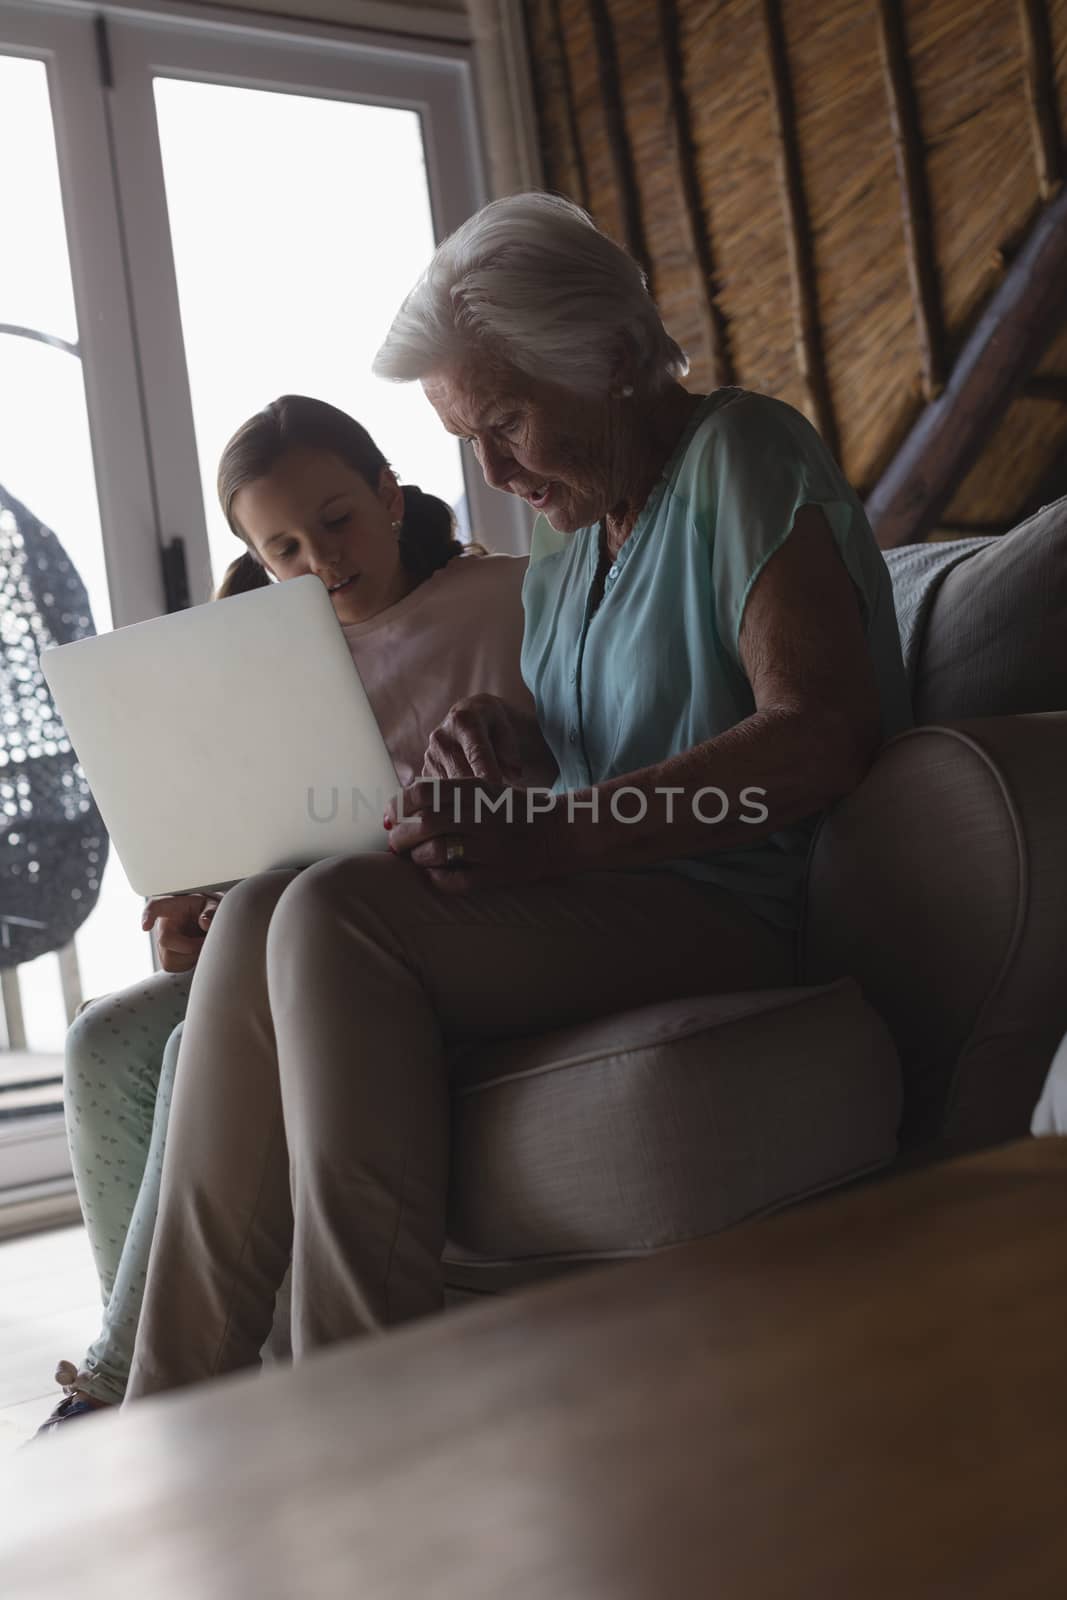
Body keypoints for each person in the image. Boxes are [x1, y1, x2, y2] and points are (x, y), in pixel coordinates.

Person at [124, 193, 912, 1400]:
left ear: (605, 359)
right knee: (267, 904)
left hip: (729, 903)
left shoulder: (743, 455)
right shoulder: (567, 532)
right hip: (606, 893)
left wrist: (560, 832)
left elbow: (818, 734)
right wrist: (514, 741)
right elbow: (605, 726)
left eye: (506, 422)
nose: (489, 470)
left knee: (338, 912)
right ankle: (170, 1404)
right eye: (465, 438)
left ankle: (354, 1405)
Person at [36, 393, 533, 1432]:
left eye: (339, 519)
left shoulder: (500, 600)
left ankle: (127, 1391)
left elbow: (541, 778)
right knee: (105, 1041)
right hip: (280, 931)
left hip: (410, 935)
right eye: (285, 546)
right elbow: (272, 840)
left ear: (391, 496)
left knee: (184, 1061)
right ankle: (147, 1355)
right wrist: (199, 919)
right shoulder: (262, 662)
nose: (323, 557)